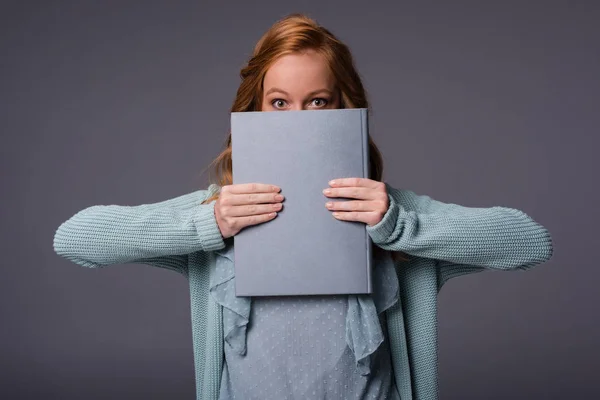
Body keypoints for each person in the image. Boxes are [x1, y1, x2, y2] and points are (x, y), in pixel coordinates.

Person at [53, 13, 554, 400]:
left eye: (318, 101)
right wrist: (207, 224)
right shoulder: (216, 216)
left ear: (346, 107)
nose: (298, 119)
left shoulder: (391, 215)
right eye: (278, 102)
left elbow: (530, 241)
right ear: (253, 110)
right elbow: (75, 238)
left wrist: (400, 227)